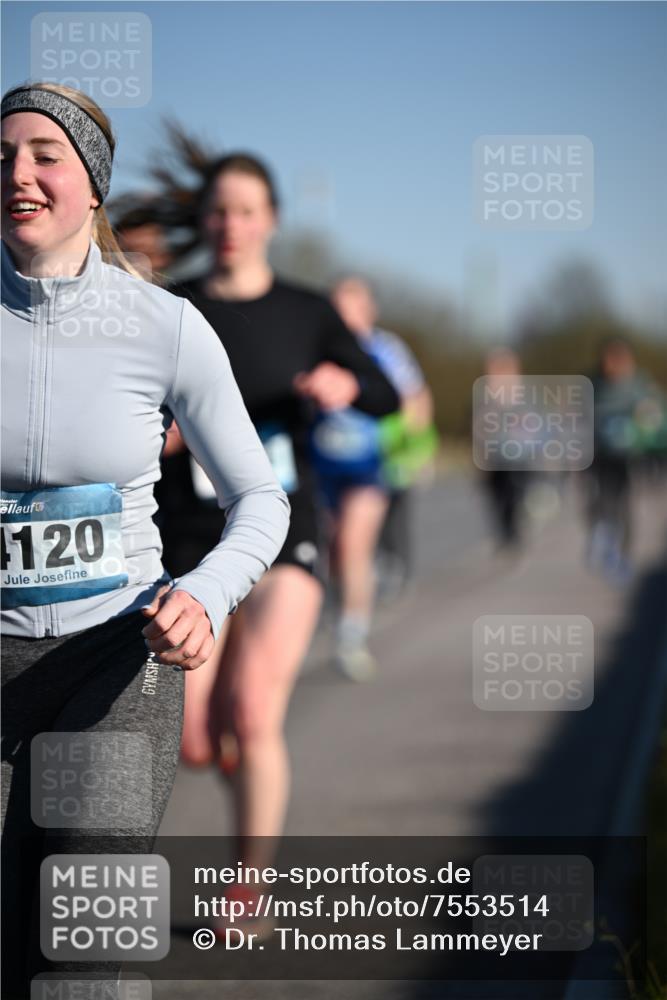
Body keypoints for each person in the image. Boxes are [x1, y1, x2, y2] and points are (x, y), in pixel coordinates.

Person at [0, 83, 290, 997]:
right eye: (2, 156)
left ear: (91, 182)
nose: (19, 175)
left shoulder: (162, 326)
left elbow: (259, 499)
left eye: (45, 154)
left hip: (116, 662)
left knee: (85, 951)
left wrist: (204, 594)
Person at [150, 141, 399, 926]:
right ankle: (228, 751)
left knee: (255, 714)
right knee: (191, 742)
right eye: (218, 211)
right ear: (205, 219)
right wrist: (162, 432)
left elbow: (386, 392)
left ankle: (248, 888)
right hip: (186, 535)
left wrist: (344, 381)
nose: (230, 224)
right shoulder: (171, 306)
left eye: (246, 211)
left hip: (284, 530)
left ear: (272, 222)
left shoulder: (306, 310)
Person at [310, 276, 435, 680]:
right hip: (321, 464)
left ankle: (351, 637)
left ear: (368, 312)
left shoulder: (387, 349)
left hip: (369, 465)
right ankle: (341, 603)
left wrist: (414, 448)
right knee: (328, 547)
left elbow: (416, 398)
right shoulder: (317, 349)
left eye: (351, 311)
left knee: (352, 546)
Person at [585, 336, 659, 585]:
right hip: (597, 454)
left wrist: (645, 419)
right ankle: (601, 536)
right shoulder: (592, 383)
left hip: (626, 454)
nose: (614, 365)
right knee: (599, 499)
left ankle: (622, 555)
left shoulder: (639, 383)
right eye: (610, 360)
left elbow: (653, 411)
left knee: (623, 502)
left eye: (620, 360)